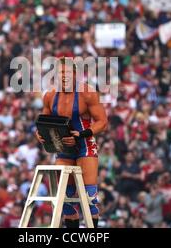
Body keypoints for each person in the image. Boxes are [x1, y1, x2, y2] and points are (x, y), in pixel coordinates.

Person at [35, 57, 108, 228]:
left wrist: (82, 134)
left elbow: (102, 121)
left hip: (85, 146)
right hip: (65, 148)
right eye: (60, 73)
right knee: (67, 200)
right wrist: (39, 134)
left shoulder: (87, 93)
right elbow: (44, 122)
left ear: (75, 74)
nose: (64, 76)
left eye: (67, 73)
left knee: (89, 198)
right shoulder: (50, 96)